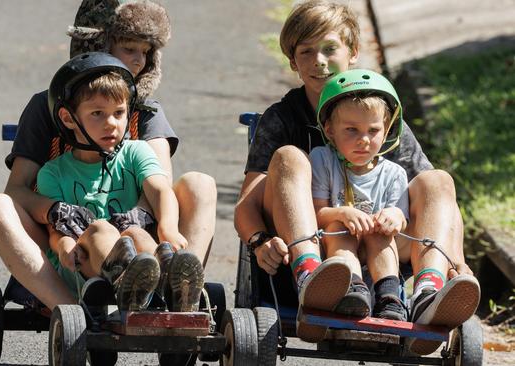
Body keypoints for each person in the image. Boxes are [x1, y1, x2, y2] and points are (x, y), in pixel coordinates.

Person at [233, 0, 480, 353]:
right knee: (289, 157)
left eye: (330, 48)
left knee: (438, 180)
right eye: (307, 51)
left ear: (353, 53)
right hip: (314, 238)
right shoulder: (283, 118)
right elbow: (248, 203)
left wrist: (457, 260)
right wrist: (259, 241)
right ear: (293, 61)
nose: (319, 60)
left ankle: (428, 290)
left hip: (385, 243)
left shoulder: (378, 112)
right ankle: (311, 279)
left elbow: (440, 204)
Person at [0, 0, 215, 314]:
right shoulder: (46, 106)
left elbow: (160, 187)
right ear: (96, 44)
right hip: (69, 235)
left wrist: (139, 219)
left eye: (145, 52)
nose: (139, 62)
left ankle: (181, 295)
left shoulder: (147, 111)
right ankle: (70, 308)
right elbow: (17, 190)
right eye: (129, 48)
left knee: (200, 184)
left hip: (139, 229)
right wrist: (57, 213)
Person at [36, 52, 203, 313]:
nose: (111, 123)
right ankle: (127, 282)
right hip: (83, 266)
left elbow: (160, 190)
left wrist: (168, 228)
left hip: (138, 255)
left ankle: (166, 283)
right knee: (101, 229)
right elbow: (55, 229)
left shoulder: (135, 152)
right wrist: (62, 246)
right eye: (97, 114)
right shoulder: (53, 172)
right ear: (69, 119)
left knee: (136, 233)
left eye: (119, 113)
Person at [311, 69, 410, 322]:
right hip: (333, 251)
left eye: (373, 130)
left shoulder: (394, 174)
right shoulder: (323, 160)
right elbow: (316, 214)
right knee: (339, 227)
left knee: (380, 231)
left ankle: (389, 297)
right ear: (330, 129)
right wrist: (343, 212)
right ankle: (353, 289)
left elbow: (402, 219)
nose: (364, 140)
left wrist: (395, 215)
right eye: (352, 130)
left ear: (386, 130)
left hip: (375, 254)